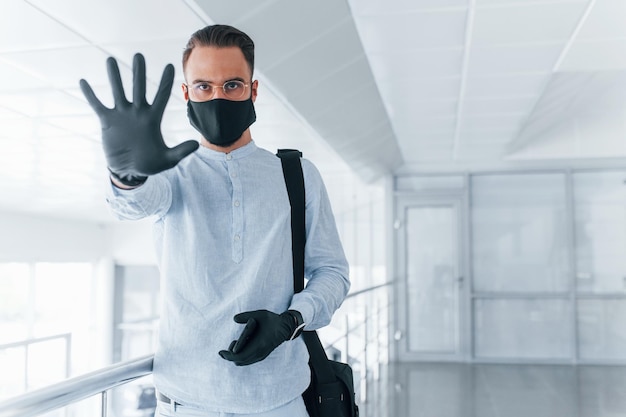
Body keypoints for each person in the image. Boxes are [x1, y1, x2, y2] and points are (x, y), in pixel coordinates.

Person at [79, 24, 350, 417]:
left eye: (233, 85)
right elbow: (133, 205)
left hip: (280, 402)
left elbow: (332, 272)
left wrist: (292, 320)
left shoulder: (297, 174)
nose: (218, 97)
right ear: (187, 94)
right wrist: (127, 175)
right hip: (185, 404)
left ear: (253, 91)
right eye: (204, 87)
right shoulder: (170, 175)